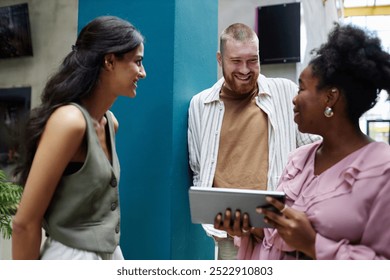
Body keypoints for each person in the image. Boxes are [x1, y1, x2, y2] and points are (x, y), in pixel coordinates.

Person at [214, 23, 390, 260]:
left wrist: (313, 244)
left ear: (330, 97)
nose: (294, 99)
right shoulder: (299, 159)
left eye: (302, 89)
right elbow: (274, 232)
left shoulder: (381, 171)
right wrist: (247, 227)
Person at [11, 16, 146, 260]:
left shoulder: (110, 123)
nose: (143, 73)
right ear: (109, 61)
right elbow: (24, 224)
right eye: (138, 62)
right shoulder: (69, 122)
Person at [187, 23, 318, 260]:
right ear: (220, 59)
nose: (245, 70)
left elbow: (316, 153)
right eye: (236, 61)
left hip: (281, 234)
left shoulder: (286, 92)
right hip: (230, 237)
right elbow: (199, 170)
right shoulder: (200, 105)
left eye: (252, 60)